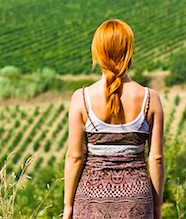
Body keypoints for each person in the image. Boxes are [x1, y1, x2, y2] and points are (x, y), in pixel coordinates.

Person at [62, 19, 165, 219]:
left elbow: (75, 157)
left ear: (98, 53)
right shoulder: (150, 99)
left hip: (90, 200)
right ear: (129, 53)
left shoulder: (81, 98)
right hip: (137, 200)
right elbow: (157, 158)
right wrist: (157, 207)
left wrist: (68, 205)